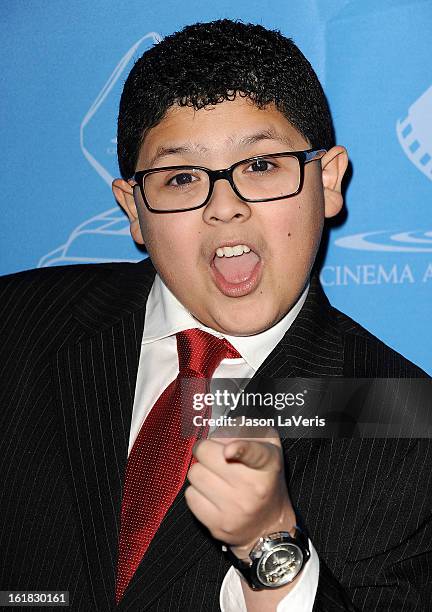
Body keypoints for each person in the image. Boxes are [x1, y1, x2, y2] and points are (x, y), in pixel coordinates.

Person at [0, 18, 430, 612]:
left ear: (327, 181)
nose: (224, 207)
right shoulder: (17, 325)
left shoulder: (402, 416)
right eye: (180, 178)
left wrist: (270, 545)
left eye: (260, 167)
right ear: (134, 210)